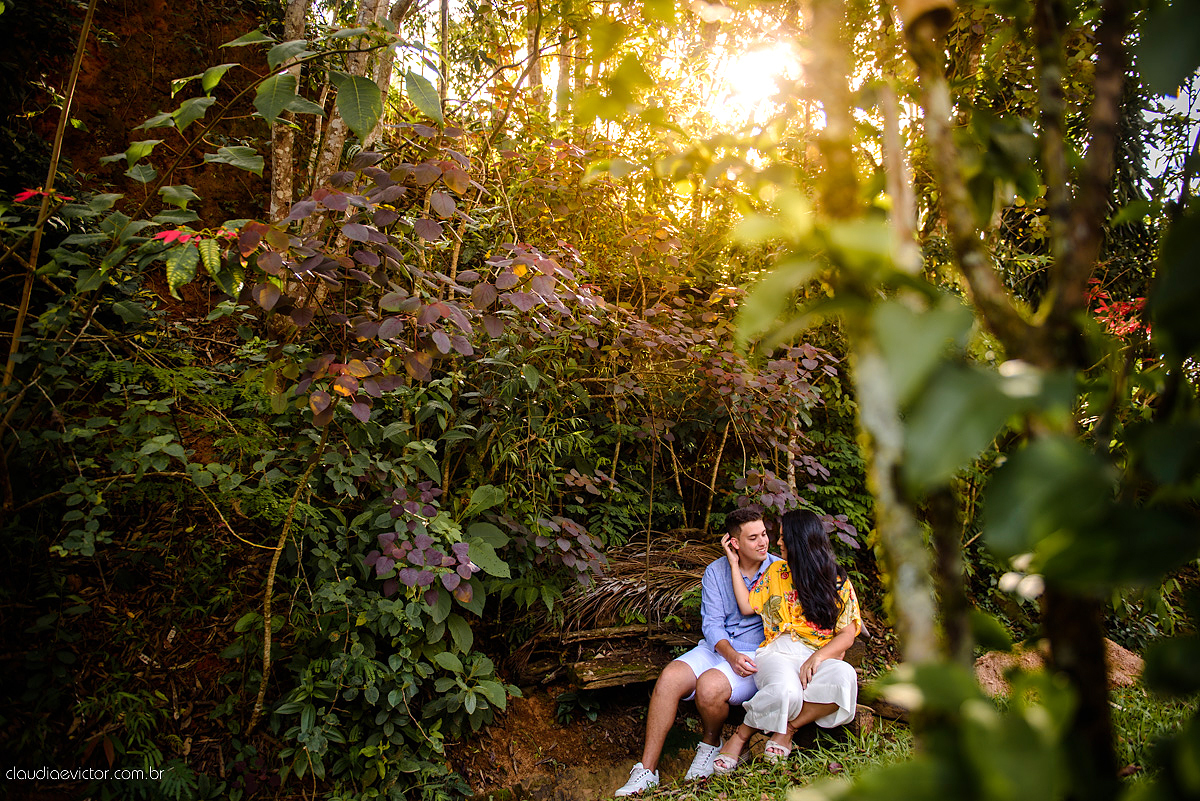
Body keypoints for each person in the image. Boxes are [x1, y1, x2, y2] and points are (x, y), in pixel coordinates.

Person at [614, 507, 781, 796]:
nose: (763, 542)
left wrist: (738, 658)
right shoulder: (716, 571)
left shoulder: (778, 570)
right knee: (669, 678)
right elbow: (713, 626)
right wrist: (728, 655)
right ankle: (646, 770)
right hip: (720, 649)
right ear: (734, 542)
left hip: (757, 654)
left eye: (764, 534)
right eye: (753, 538)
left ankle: (710, 743)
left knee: (709, 687)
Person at [711, 508, 861, 772]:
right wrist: (734, 564)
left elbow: (847, 633)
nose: (777, 542)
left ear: (799, 542)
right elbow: (747, 605)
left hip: (818, 655)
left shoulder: (837, 580)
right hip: (779, 651)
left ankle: (788, 729)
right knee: (786, 692)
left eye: (783, 537)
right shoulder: (777, 572)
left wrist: (818, 657)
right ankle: (742, 735)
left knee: (844, 678)